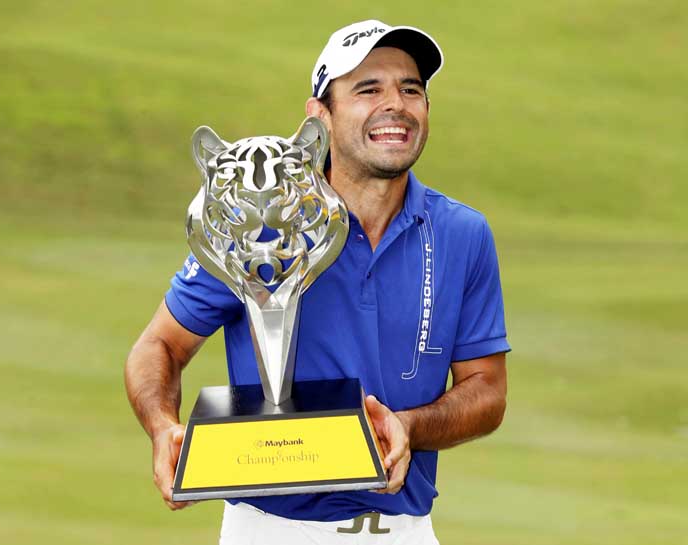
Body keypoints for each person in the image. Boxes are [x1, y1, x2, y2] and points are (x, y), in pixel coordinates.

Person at [125, 19, 510, 545]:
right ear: (319, 117)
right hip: (270, 531)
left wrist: (409, 427)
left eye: (411, 89)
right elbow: (160, 346)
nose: (394, 103)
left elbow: (486, 392)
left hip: (406, 531)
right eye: (367, 89)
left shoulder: (462, 233)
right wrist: (162, 427)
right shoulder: (259, 226)